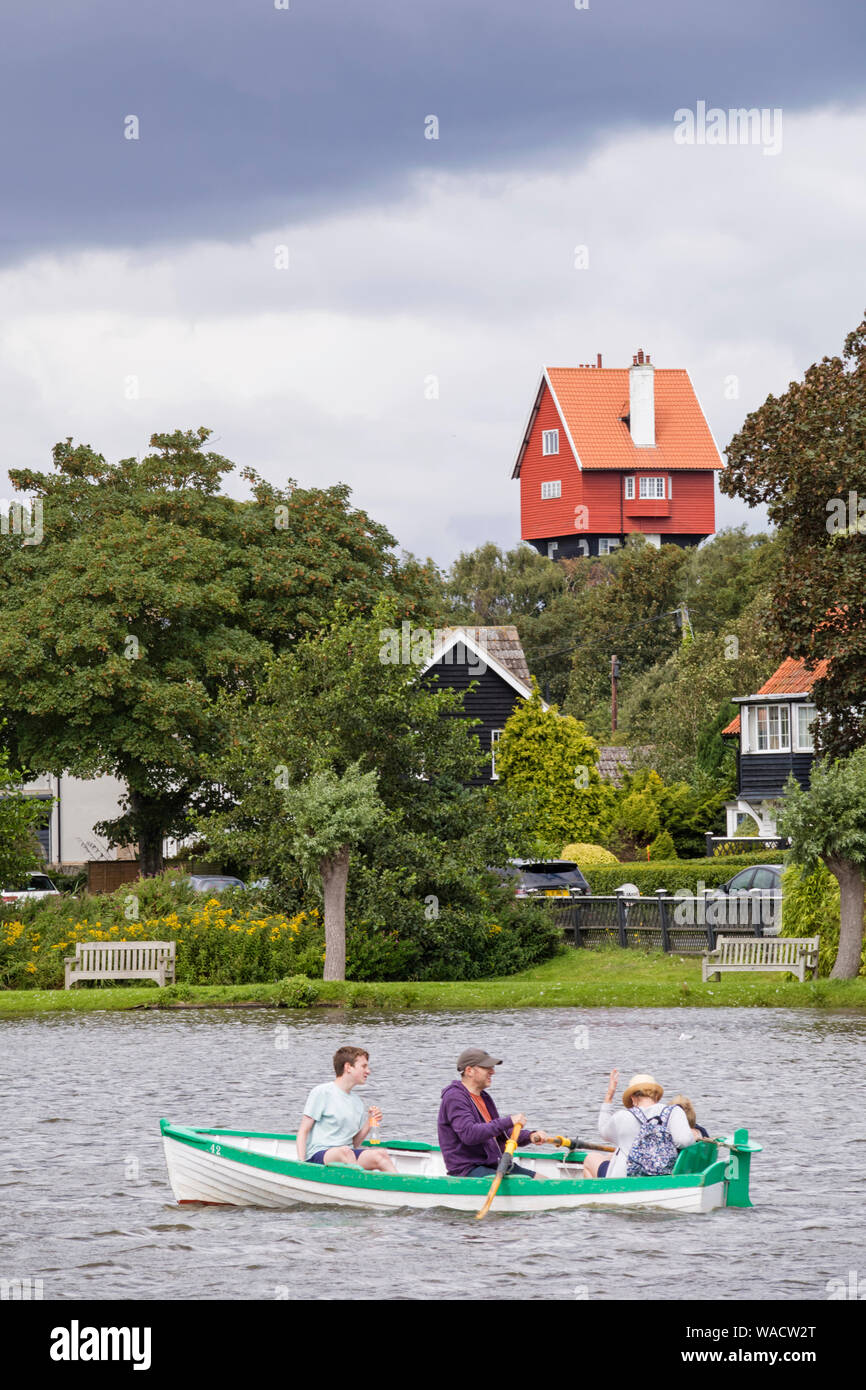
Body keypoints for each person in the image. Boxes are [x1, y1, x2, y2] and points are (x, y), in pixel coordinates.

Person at [437, 1047, 549, 1178]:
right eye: (486, 1068)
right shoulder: (455, 1097)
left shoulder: (484, 1097)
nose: (492, 1072)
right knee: (527, 1185)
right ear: (469, 1071)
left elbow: (500, 1133)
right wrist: (508, 1121)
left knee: (543, 1180)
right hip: (469, 1169)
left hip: (496, 1165)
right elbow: (469, 1134)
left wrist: (529, 1136)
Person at [296, 1045, 397, 1172]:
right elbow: (303, 1131)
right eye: (364, 1066)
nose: (368, 1071)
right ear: (348, 1067)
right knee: (345, 1152)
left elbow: (354, 1143)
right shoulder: (322, 1092)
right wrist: (301, 1163)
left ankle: (404, 1189)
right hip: (319, 1155)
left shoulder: (358, 1102)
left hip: (347, 1155)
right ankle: (361, 1186)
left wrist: (369, 1122)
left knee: (380, 1154)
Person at [581, 1070, 695, 1179]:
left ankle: (599, 1196)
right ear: (656, 1096)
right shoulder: (674, 1111)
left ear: (632, 1099)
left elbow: (603, 1131)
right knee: (609, 1156)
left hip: (625, 1178)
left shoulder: (622, 1117)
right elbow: (684, 1141)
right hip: (662, 1176)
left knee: (590, 1159)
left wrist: (609, 1096)